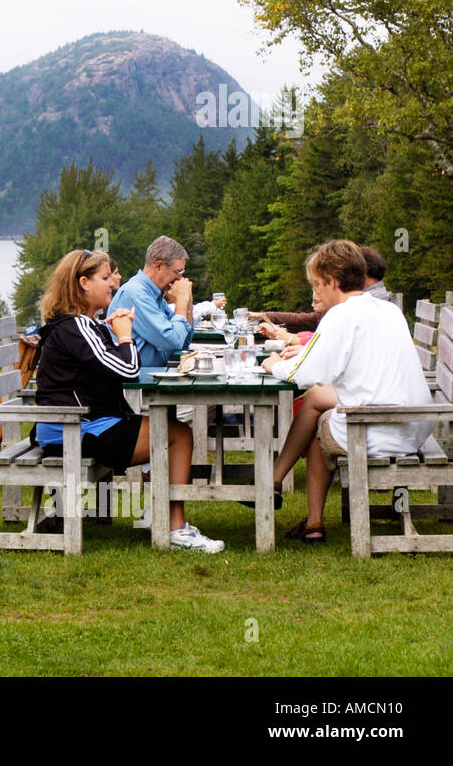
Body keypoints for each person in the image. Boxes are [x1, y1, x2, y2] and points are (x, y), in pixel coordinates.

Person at [34, 249, 226, 552]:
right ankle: (174, 527)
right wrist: (124, 335)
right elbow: (127, 368)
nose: (113, 283)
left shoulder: (81, 325)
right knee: (178, 436)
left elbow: (110, 368)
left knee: (174, 431)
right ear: (83, 283)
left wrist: (112, 332)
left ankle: (161, 516)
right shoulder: (77, 326)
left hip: (79, 423)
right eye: (106, 277)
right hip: (76, 429)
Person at [261, 240, 432, 543]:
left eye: (317, 285)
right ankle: (283, 489)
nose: (317, 293)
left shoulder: (341, 315)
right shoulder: (389, 310)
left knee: (319, 429)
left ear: (333, 281)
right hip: (413, 424)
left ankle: (301, 508)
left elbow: (309, 374)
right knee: (318, 401)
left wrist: (273, 366)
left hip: (376, 429)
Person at [107, 236, 194, 379]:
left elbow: (184, 341)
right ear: (158, 266)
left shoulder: (154, 293)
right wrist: (181, 302)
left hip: (150, 377)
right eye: (177, 272)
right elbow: (173, 340)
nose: (180, 279)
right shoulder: (136, 294)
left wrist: (188, 303)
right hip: (135, 384)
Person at [250, 245, 391, 331]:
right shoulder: (386, 307)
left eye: (318, 283)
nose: (318, 291)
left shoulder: (350, 312)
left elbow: (315, 370)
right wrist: (264, 315)